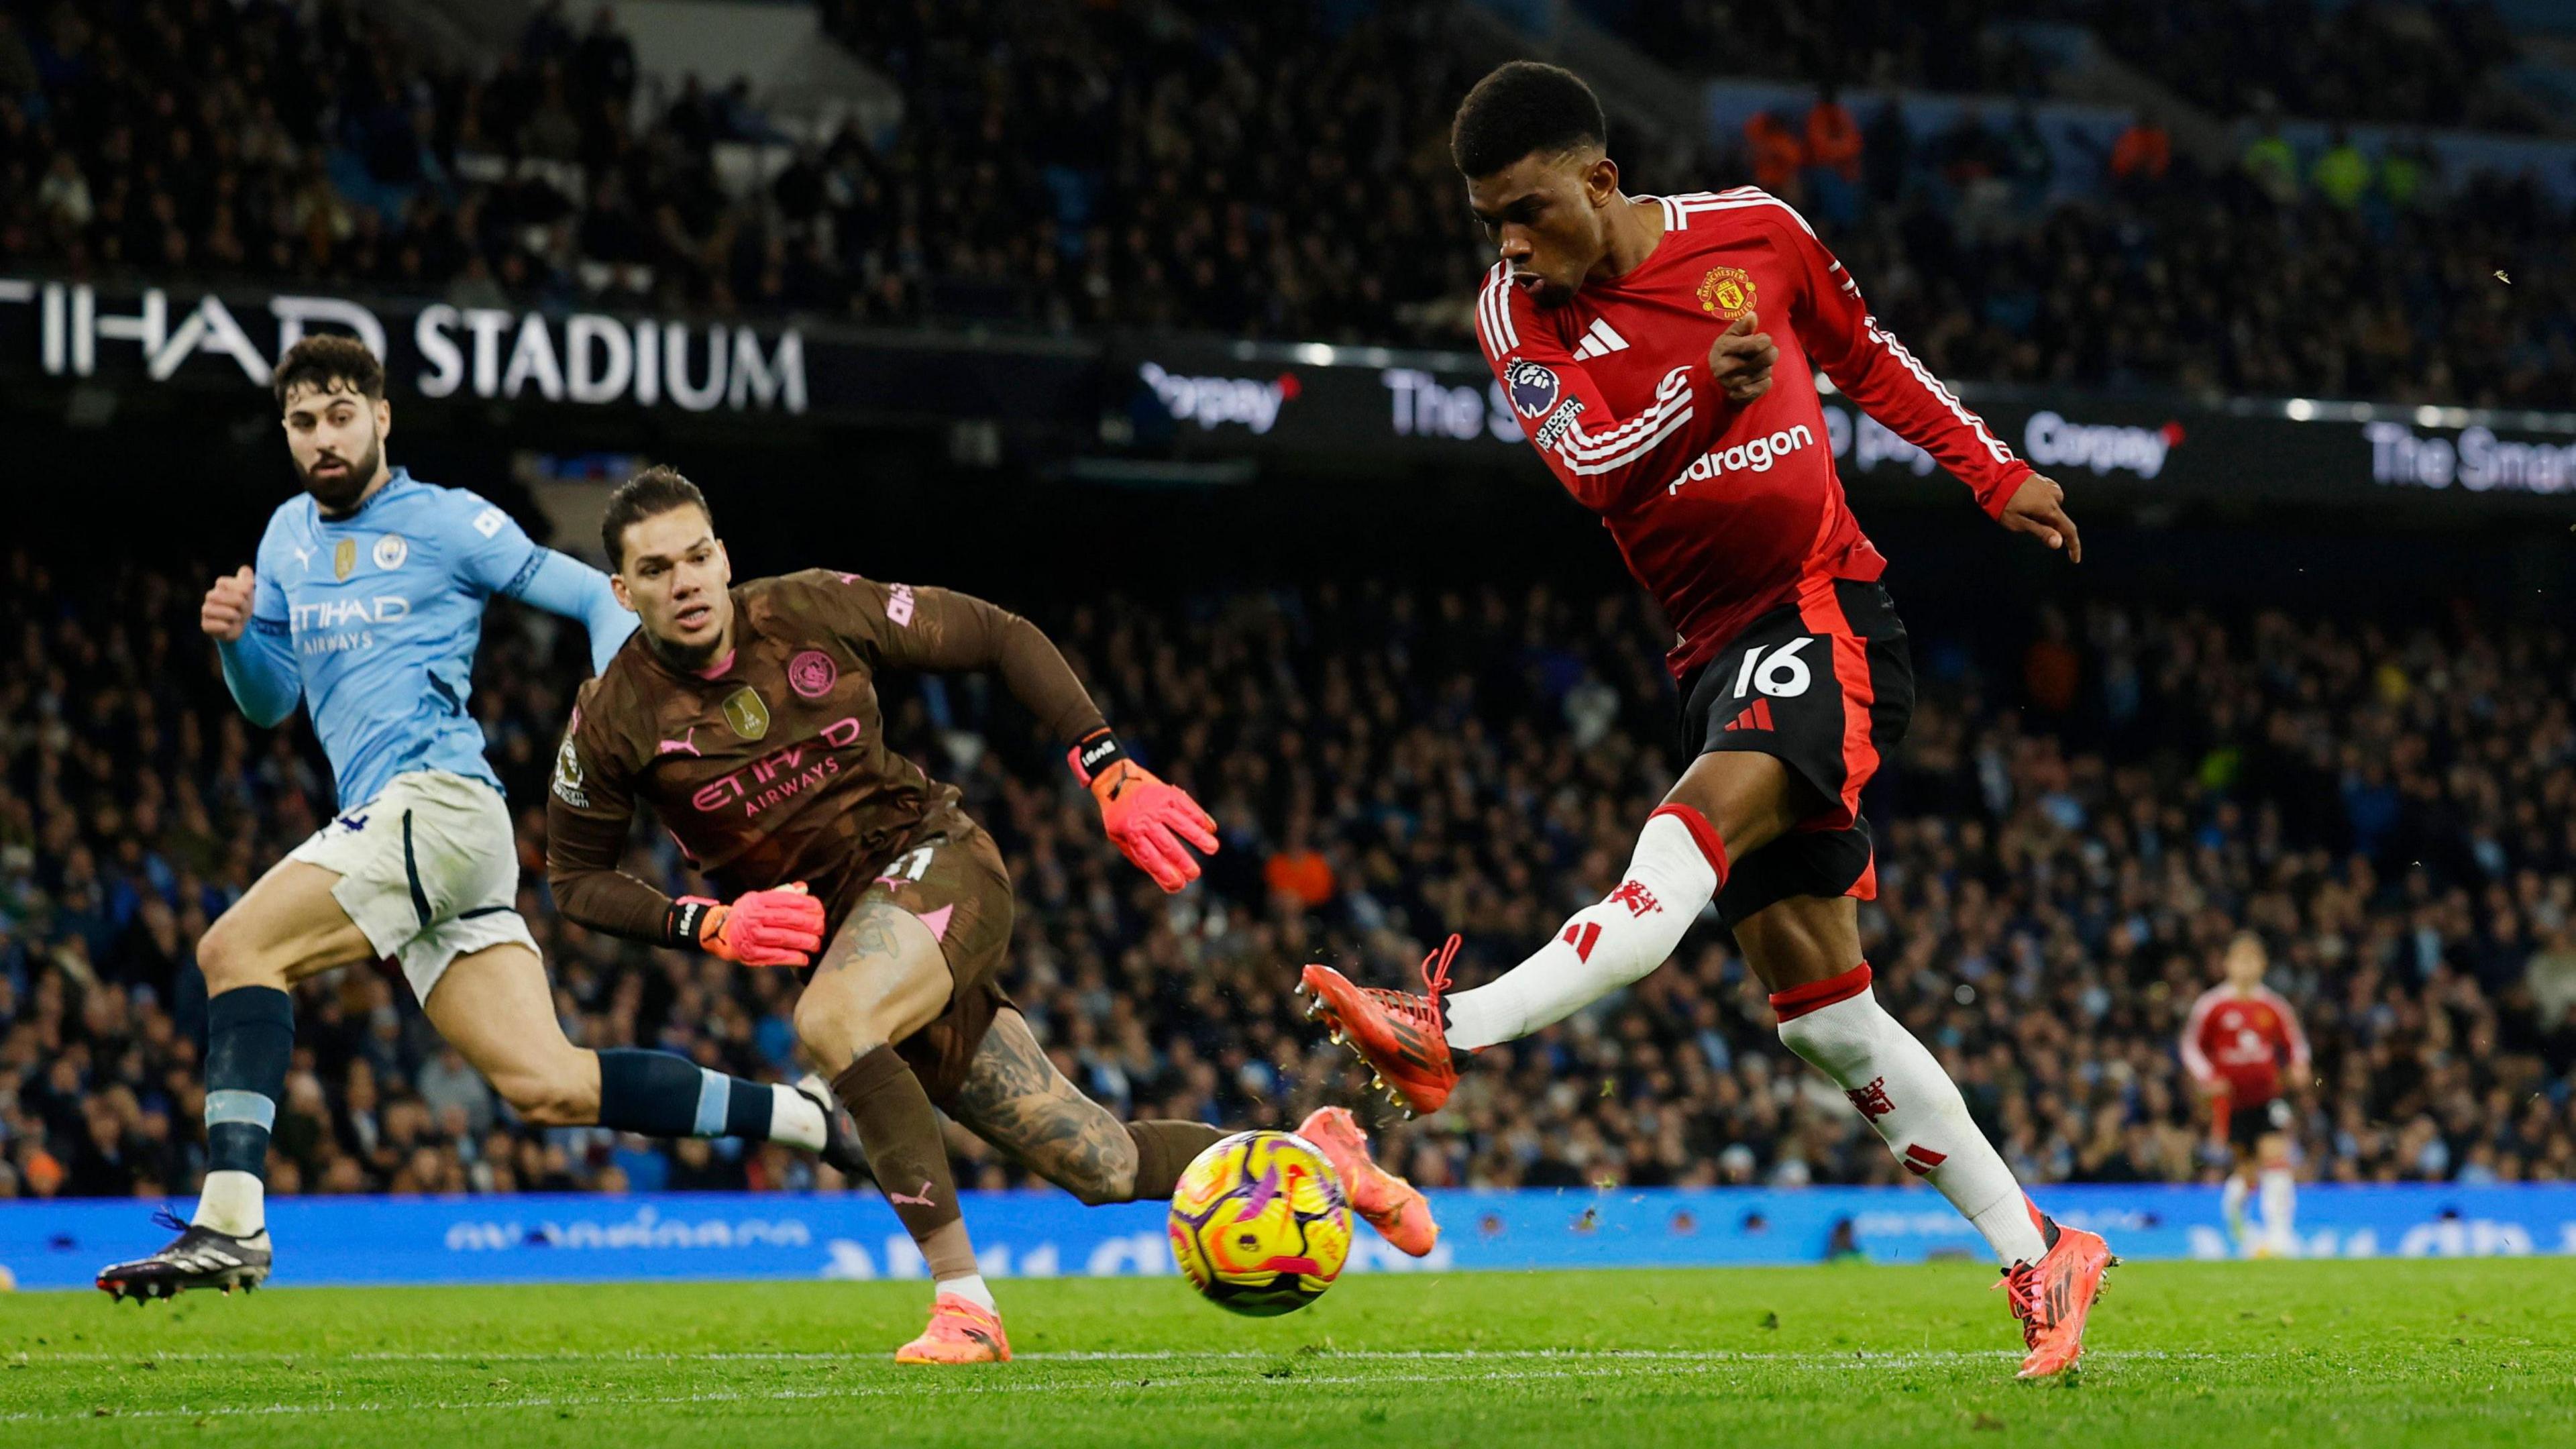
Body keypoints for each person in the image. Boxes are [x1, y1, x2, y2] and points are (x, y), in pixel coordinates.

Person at [1298, 62, 2110, 1379]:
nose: (1509, 240)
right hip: (1712, 651)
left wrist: (1995, 470)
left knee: (1675, 855)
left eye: (1527, 209)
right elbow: (1594, 472)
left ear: (1599, 179)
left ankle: (1453, 1029)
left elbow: (1865, 354)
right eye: (1487, 218)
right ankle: (2042, 1252)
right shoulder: (1518, 312)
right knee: (1823, 1016)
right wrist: (1708, 396)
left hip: (1825, 616)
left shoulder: (1757, 233)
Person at [544, 468, 1436, 1364]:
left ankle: (964, 1306)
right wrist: (705, 925)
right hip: (863, 941)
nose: (687, 582)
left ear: (724, 555)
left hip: (937, 863)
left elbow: (997, 636)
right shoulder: (613, 718)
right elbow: (575, 879)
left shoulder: (811, 609)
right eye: (657, 570)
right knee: (1101, 1162)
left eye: (699, 556)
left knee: (832, 1022)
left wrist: (1107, 764)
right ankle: (1319, 1158)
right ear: (622, 591)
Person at [97, 337, 871, 1303]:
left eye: (342, 416)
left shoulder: (449, 521)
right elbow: (271, 702)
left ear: (382, 418)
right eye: (303, 422)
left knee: (233, 951)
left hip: (438, 804)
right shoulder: (285, 538)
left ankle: (231, 1219)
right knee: (547, 1083)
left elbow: (591, 591)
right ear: (286, 434)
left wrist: (627, 708)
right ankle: (801, 1118)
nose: (323, 438)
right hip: (404, 829)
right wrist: (238, 642)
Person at [2182, 932, 2311, 1256]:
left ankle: (2280, 1236)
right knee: (2247, 1171)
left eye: (2252, 960)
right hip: (2233, 1101)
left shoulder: (2273, 1006)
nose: (2246, 967)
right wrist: (2208, 1078)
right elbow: (2191, 1046)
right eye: (2240, 960)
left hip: (2268, 1095)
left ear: (2263, 965)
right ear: (2227, 965)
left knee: (2275, 1155)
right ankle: (2237, 1218)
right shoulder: (2213, 1005)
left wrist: (2298, 1067)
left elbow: (2295, 1043)